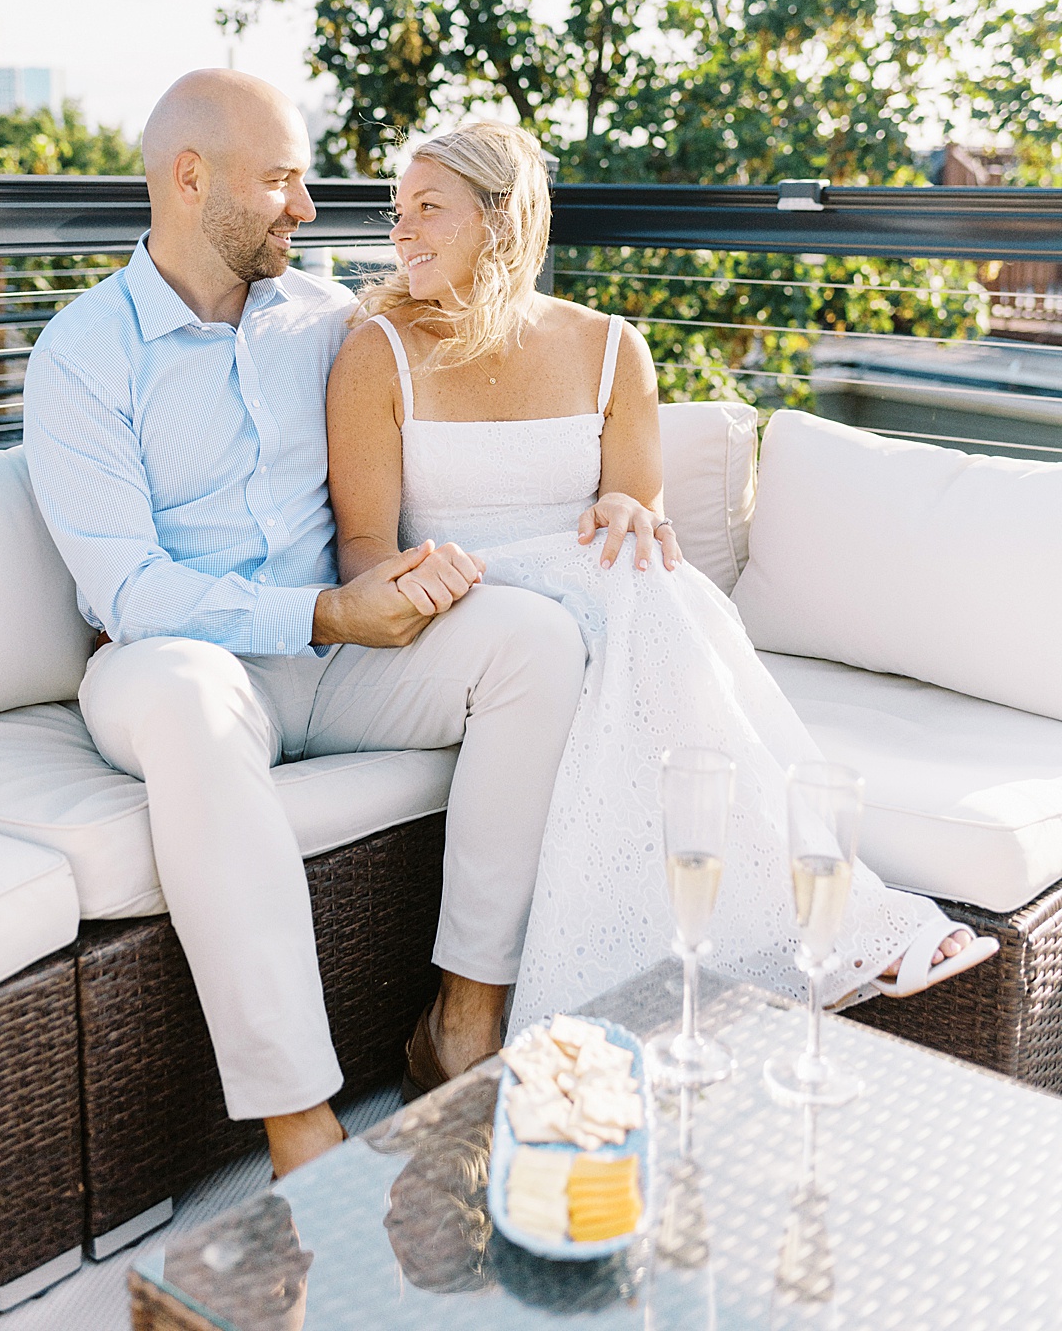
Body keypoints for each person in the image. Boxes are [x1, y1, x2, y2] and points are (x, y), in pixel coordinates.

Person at [21, 71, 588, 1175]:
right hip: (170, 666)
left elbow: (482, 340)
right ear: (192, 180)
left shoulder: (332, 319)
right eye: (282, 179)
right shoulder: (82, 355)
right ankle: (302, 1132)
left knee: (534, 643)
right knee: (190, 692)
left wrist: (613, 481)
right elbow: (130, 589)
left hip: (336, 662)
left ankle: (464, 1020)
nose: (309, 207)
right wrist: (326, 607)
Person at [327, 119, 999, 1037]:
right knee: (646, 593)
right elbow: (363, 552)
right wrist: (426, 579)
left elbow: (633, 517)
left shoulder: (612, 349)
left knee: (648, 573)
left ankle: (674, 968)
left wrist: (632, 513)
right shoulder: (377, 352)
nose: (400, 232)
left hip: (588, 609)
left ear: (503, 217)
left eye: (428, 210)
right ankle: (831, 916)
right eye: (397, 212)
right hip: (462, 616)